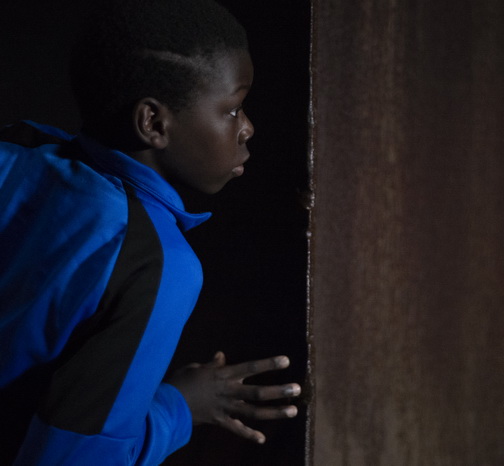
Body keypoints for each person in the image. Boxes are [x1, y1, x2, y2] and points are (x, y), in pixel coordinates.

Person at [0, 0, 301, 464]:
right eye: (232, 109)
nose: (247, 128)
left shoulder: (18, 144)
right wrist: (181, 407)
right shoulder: (158, 264)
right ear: (154, 123)